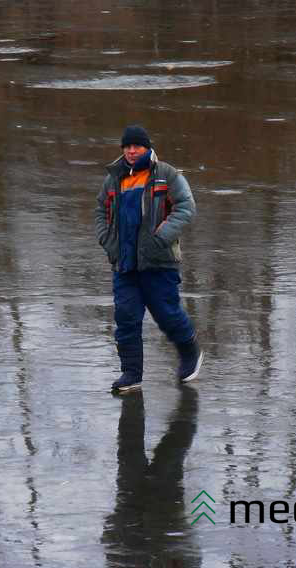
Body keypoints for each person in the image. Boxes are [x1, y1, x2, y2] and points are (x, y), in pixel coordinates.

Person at [95, 125, 203, 393]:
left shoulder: (165, 174)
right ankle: (131, 374)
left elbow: (186, 207)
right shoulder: (113, 179)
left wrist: (161, 236)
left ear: (147, 147)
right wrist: (107, 241)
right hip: (124, 264)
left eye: (137, 146)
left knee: (166, 314)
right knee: (126, 317)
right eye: (127, 146)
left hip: (158, 262)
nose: (132, 151)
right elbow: (101, 210)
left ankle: (190, 350)